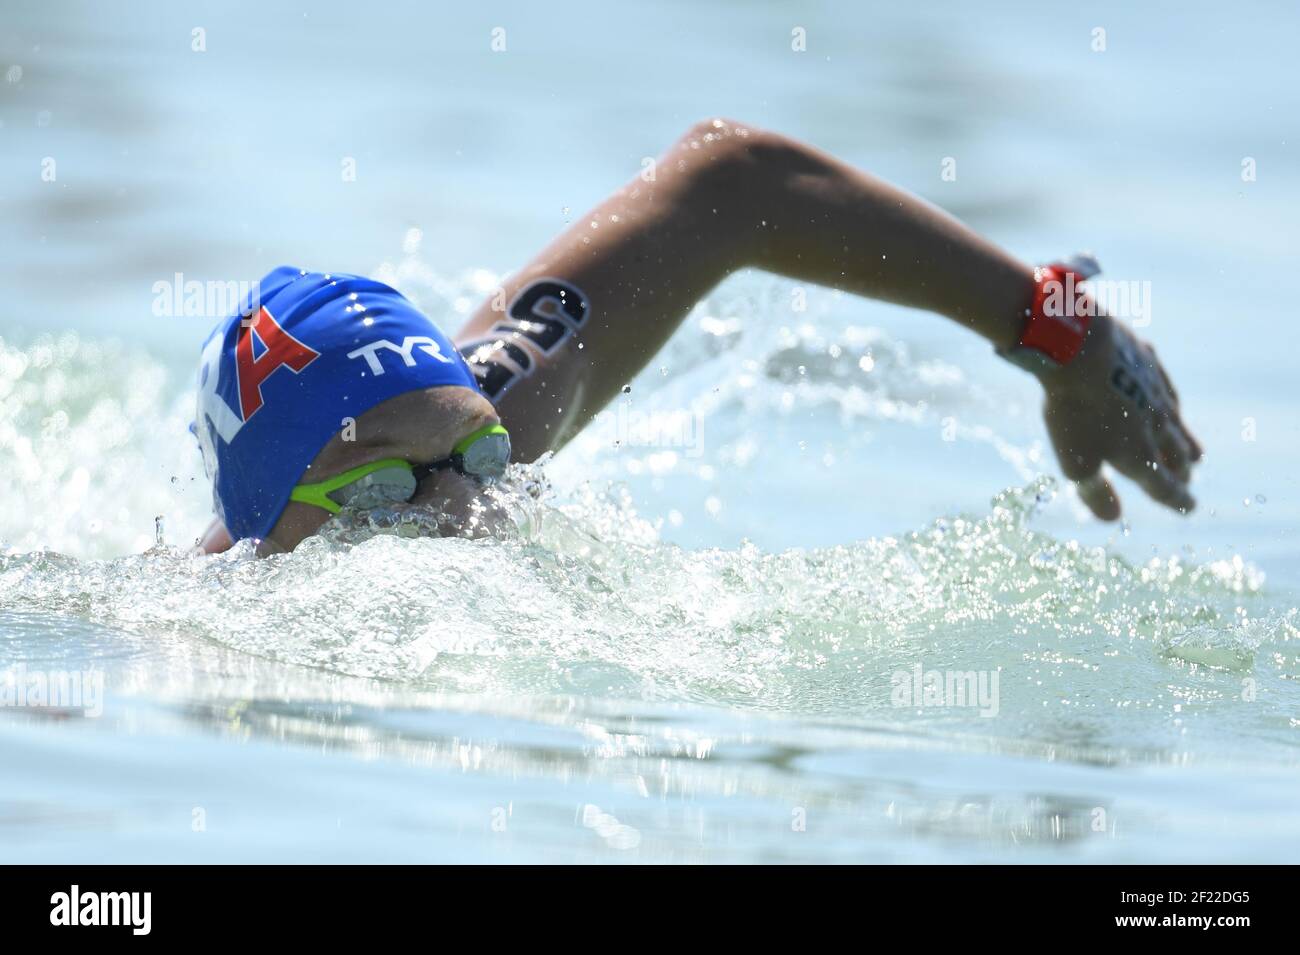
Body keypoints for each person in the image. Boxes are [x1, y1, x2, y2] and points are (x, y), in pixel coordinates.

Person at [194, 118, 1201, 555]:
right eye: (382, 493)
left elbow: (733, 181)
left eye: (480, 453)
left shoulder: (469, 415)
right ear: (258, 528)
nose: (467, 507)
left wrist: (1060, 332)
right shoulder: (176, 635)